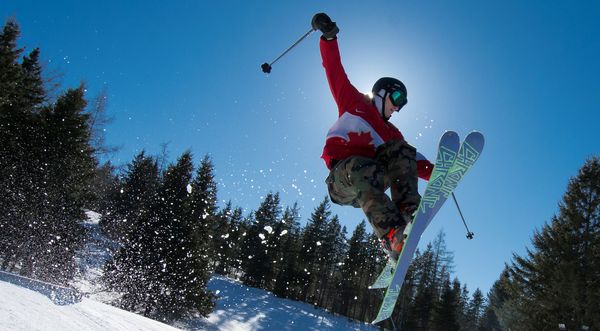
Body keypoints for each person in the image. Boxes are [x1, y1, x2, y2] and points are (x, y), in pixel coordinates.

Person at [312, 13, 434, 262]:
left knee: (401, 149)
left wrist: (443, 173)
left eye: (403, 105)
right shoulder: (354, 102)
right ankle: (390, 233)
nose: (398, 108)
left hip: (373, 181)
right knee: (361, 165)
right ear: (381, 93)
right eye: (397, 99)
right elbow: (334, 71)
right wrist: (329, 37)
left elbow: (411, 162)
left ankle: (408, 216)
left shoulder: (392, 134)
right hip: (342, 180)